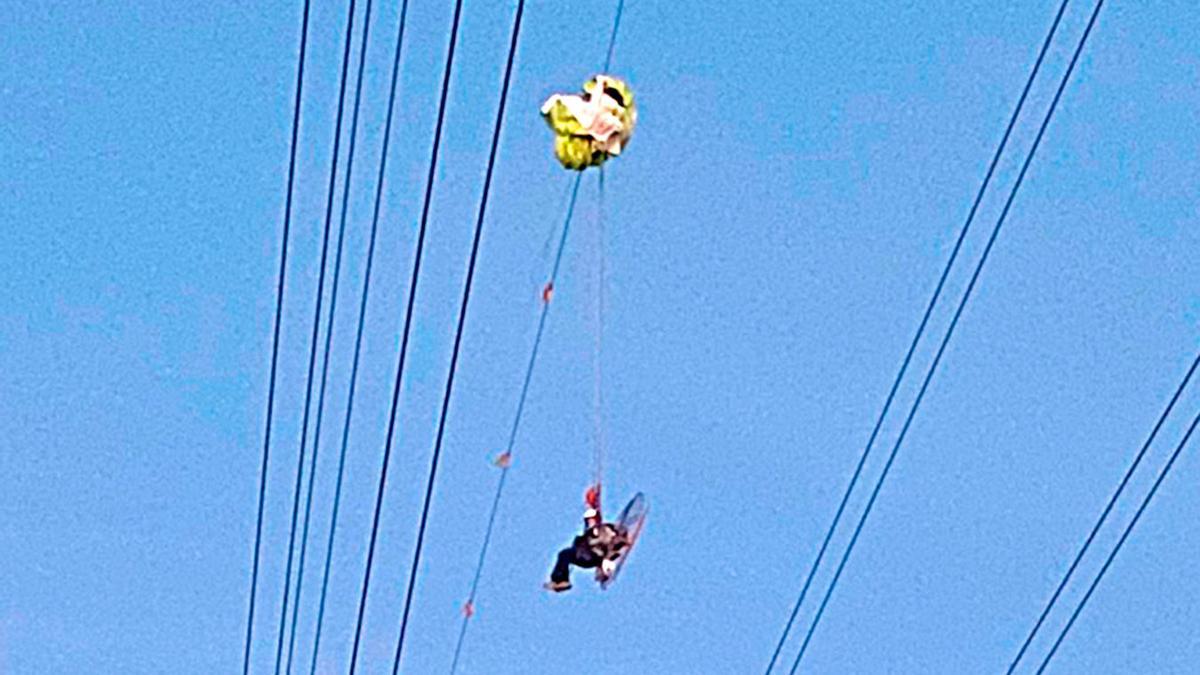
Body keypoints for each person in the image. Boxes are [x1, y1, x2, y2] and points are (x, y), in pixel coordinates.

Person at [545, 491, 630, 592]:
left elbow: (593, 529)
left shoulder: (605, 534)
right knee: (565, 554)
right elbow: (592, 529)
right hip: (588, 555)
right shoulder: (604, 533)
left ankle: (560, 579)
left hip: (588, 556)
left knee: (565, 554)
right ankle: (560, 580)